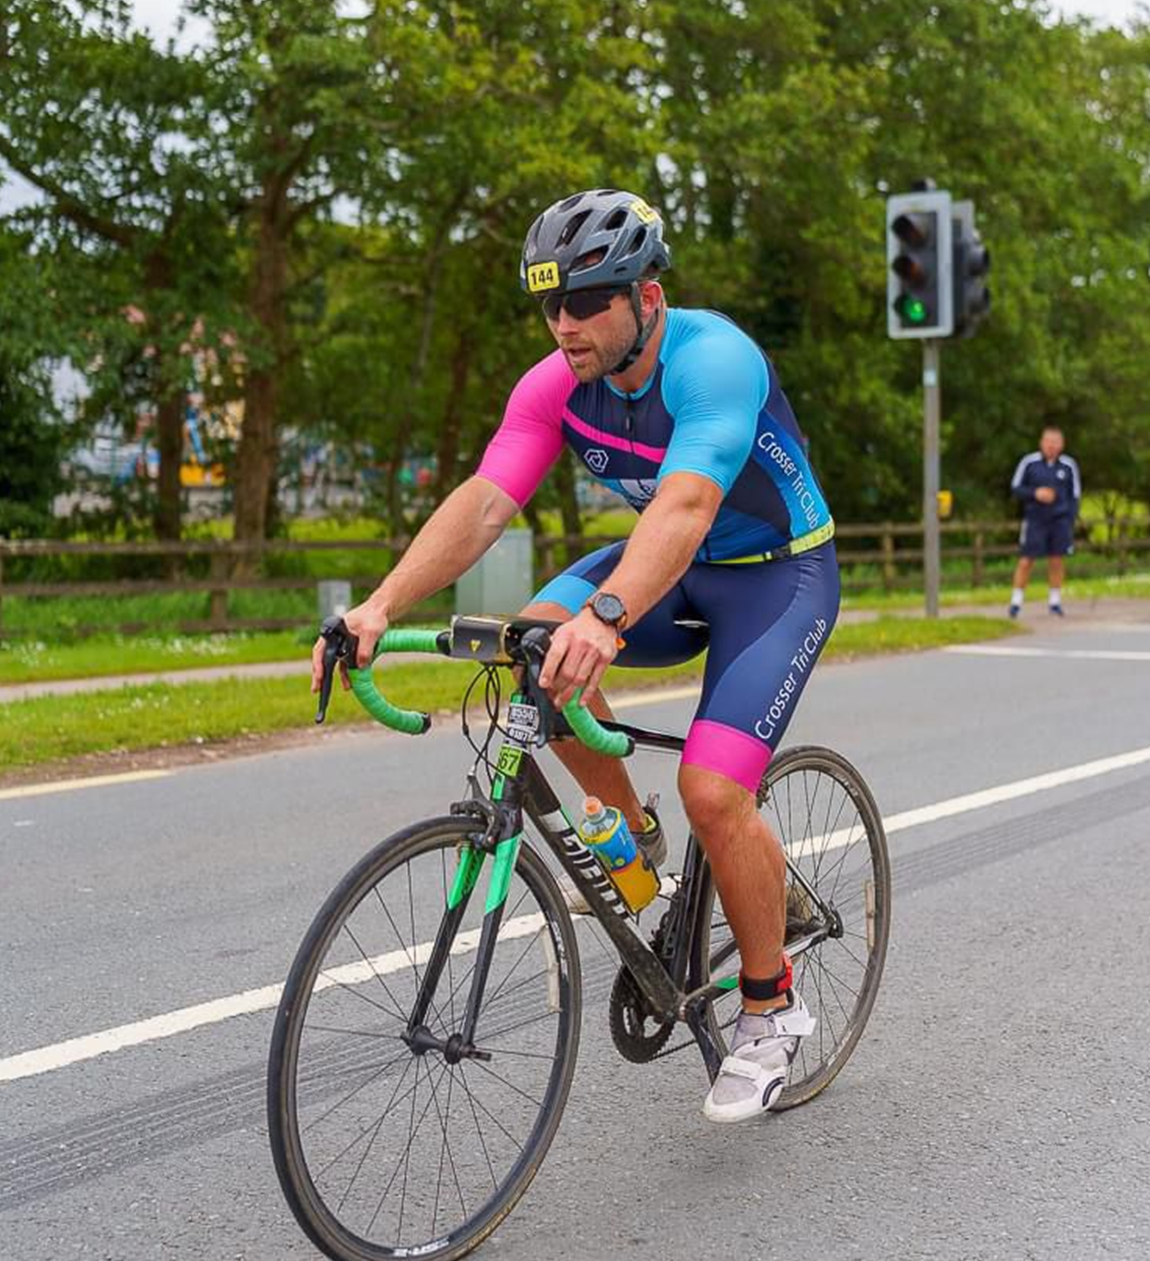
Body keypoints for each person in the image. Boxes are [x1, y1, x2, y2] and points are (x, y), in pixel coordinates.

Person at [310, 187, 840, 1124]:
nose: (566, 323)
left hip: (774, 575)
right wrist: (379, 605)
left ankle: (770, 1006)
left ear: (649, 298)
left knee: (717, 790)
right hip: (661, 569)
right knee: (529, 652)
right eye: (551, 303)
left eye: (589, 299)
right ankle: (635, 836)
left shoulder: (713, 360)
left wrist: (602, 614)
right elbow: (484, 502)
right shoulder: (555, 382)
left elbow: (683, 508)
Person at [1008, 426, 1081, 617]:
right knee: (1026, 560)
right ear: (1041, 442)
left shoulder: (1068, 465)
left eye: (1056, 442)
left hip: (1059, 520)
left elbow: (1075, 495)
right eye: (1048, 441)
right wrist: (1035, 493)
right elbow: (1016, 488)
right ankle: (1016, 602)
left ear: (1062, 444)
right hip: (1035, 519)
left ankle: (1054, 601)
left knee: (1057, 560)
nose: (1051, 446)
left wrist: (1070, 519)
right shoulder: (1029, 463)